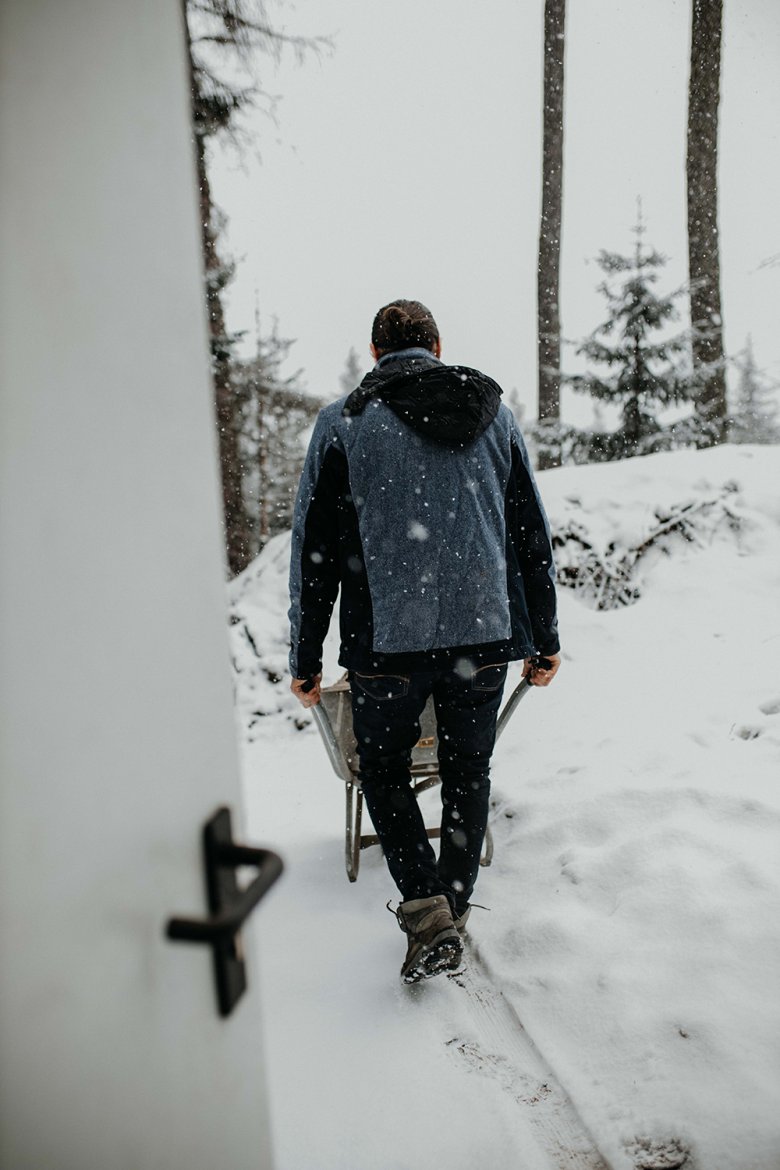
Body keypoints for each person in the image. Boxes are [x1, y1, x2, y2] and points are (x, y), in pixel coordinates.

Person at [288, 299, 560, 983]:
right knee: (468, 771)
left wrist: (305, 656)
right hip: (486, 633)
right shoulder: (493, 414)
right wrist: (544, 637)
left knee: (383, 770)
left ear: (377, 353)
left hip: (388, 644)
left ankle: (428, 911)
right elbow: (530, 531)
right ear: (436, 345)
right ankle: (453, 909)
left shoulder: (344, 422)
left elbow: (313, 553)